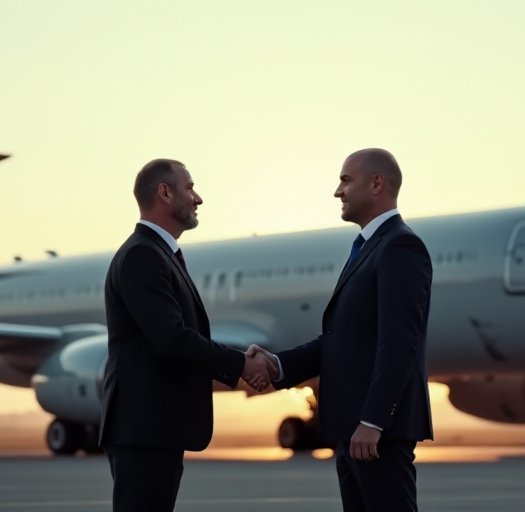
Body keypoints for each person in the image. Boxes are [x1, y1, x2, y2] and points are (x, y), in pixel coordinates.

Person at [248, 148, 434, 512]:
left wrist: (374, 420)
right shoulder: (368, 248)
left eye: (346, 180)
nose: (338, 191)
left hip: (376, 433)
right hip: (353, 431)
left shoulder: (399, 246)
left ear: (376, 183)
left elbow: (399, 343)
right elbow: (340, 343)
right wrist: (278, 366)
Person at [99, 158, 270, 512]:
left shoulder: (159, 254)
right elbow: (172, 339)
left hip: (154, 429)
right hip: (145, 429)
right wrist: (241, 363)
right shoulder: (142, 255)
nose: (198, 198)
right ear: (165, 192)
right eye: (190, 187)